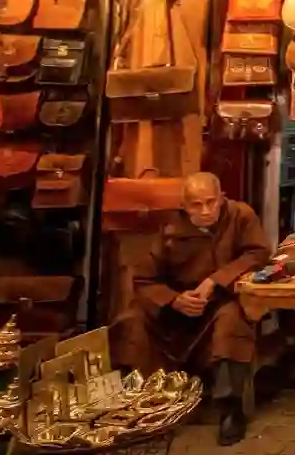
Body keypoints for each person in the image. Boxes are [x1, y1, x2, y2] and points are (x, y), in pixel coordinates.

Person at [116, 173, 269, 446]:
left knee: (232, 320)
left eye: (211, 202)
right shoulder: (170, 228)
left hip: (221, 302)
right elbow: (144, 279)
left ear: (222, 199)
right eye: (196, 205)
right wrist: (174, 300)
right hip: (178, 310)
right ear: (185, 206)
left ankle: (230, 408)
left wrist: (215, 281)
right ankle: (144, 404)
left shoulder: (240, 216)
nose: (206, 211)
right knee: (132, 320)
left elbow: (257, 254)